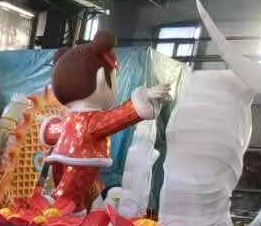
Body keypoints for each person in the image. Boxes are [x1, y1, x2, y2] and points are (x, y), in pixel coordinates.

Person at [40, 30, 170, 212]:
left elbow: (52, 131)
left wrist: (47, 128)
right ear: (102, 78)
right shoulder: (91, 121)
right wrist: (143, 99)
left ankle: (70, 215)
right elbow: (118, 117)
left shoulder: (70, 120)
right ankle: (56, 220)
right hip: (81, 163)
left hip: (59, 159)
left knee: (85, 196)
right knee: (67, 200)